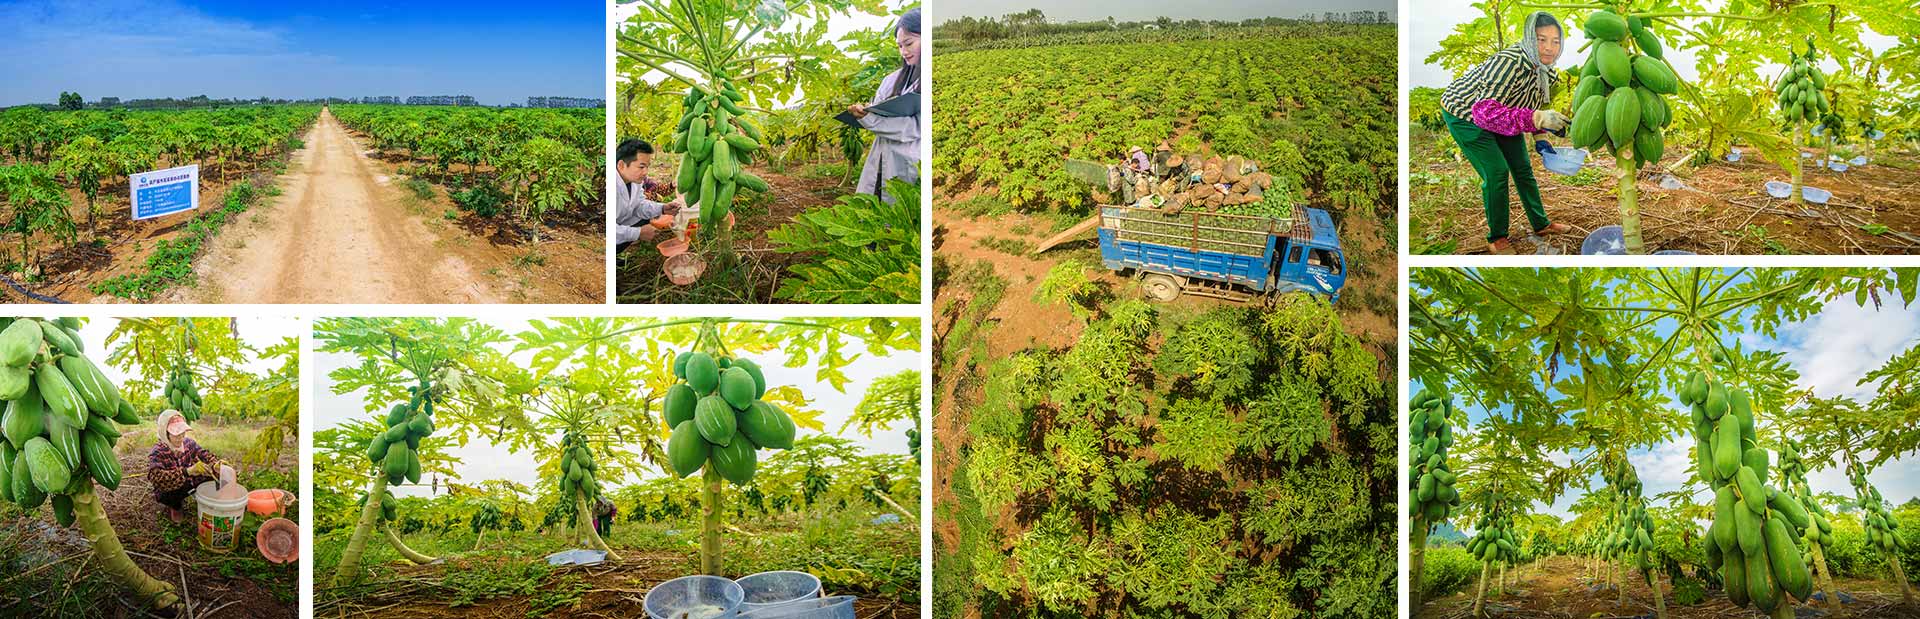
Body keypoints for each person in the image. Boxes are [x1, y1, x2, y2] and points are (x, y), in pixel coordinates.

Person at [1439, 11, 1576, 253]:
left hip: (1507, 116)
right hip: (1467, 116)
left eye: (1555, 42)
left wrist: (1541, 137)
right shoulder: (1508, 63)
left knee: (1523, 169)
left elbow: (1536, 106)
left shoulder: (1547, 73)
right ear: (1529, 39)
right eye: (1541, 40)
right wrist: (1536, 118)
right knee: (1497, 172)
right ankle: (1497, 237)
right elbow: (1485, 113)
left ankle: (1541, 223)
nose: (1548, 48)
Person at [847, 8, 921, 203]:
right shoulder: (891, 80)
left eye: (909, 43)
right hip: (880, 157)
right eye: (899, 46)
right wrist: (865, 112)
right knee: (874, 208)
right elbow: (877, 111)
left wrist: (869, 119)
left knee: (900, 215)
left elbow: (914, 128)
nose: (904, 51)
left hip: (908, 162)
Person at [147, 410, 232, 523]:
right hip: (172, 489)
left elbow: (203, 454)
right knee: (168, 494)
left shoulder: (188, 443)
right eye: (176, 434)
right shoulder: (158, 451)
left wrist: (216, 463)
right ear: (164, 433)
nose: (181, 437)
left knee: (215, 474)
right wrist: (187, 471)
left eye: (182, 433)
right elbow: (156, 478)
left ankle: (216, 500)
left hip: (190, 481)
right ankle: (175, 507)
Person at [613, 138, 681, 248]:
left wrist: (662, 208)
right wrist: (638, 233)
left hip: (621, 222)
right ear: (621, 165)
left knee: (645, 218)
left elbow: (639, 204)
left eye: (647, 167)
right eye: (641, 167)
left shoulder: (635, 181)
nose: (645, 172)